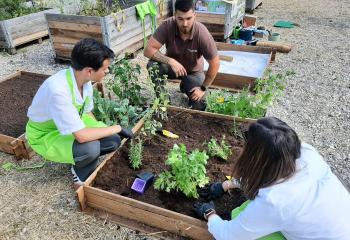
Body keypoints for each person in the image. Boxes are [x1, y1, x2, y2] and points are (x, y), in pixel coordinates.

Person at [194, 117, 350, 240]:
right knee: (246, 213)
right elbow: (265, 173)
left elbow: (228, 236)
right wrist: (227, 185)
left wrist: (210, 214)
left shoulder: (276, 202)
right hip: (338, 222)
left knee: (246, 224)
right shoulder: (305, 153)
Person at [26, 38, 133, 185]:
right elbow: (82, 136)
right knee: (90, 147)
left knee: (113, 140)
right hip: (46, 133)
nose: (107, 71)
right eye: (104, 69)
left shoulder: (83, 80)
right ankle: (80, 174)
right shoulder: (58, 90)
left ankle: (78, 155)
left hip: (73, 122)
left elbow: (87, 113)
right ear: (89, 71)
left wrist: (101, 129)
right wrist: (117, 127)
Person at [144, 0, 220, 110]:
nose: (184, 24)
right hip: (172, 68)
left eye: (188, 18)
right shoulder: (167, 25)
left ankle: (186, 85)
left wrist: (202, 88)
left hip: (193, 72)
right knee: (152, 65)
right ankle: (163, 100)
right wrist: (171, 61)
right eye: (180, 19)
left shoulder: (202, 33)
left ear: (195, 15)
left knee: (200, 105)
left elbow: (215, 63)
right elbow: (148, 50)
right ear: (175, 16)